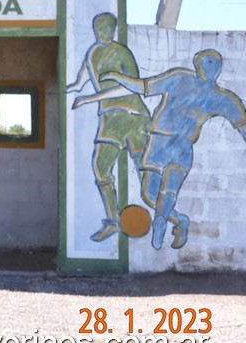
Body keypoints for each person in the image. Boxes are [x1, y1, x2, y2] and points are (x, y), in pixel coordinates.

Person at [103, 49, 246, 249]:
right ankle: (179, 220)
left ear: (220, 69)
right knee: (150, 195)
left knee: (169, 191)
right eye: (206, 63)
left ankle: (160, 221)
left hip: (181, 148)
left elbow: (242, 124)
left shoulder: (221, 98)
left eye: (215, 64)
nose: (210, 68)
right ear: (199, 66)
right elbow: (144, 86)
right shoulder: (178, 79)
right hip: (157, 143)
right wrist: (118, 77)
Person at [66, 13, 151, 242]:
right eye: (97, 27)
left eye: (106, 27)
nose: (101, 31)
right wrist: (74, 86)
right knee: (100, 168)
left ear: (113, 29)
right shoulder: (93, 51)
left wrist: (89, 98)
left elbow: (132, 87)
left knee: (144, 170)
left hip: (133, 117)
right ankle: (113, 221)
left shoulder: (121, 52)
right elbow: (85, 72)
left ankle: (165, 214)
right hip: (109, 118)